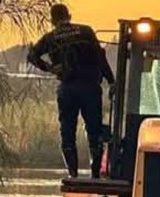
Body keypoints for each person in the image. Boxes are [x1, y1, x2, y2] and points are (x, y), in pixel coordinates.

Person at [27, 4, 115, 178]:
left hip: (67, 88)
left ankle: (73, 174)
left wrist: (50, 68)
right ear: (69, 15)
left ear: (52, 20)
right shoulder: (86, 32)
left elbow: (32, 55)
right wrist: (111, 80)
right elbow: (100, 56)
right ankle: (95, 174)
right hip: (90, 87)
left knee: (67, 132)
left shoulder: (51, 38)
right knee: (94, 131)